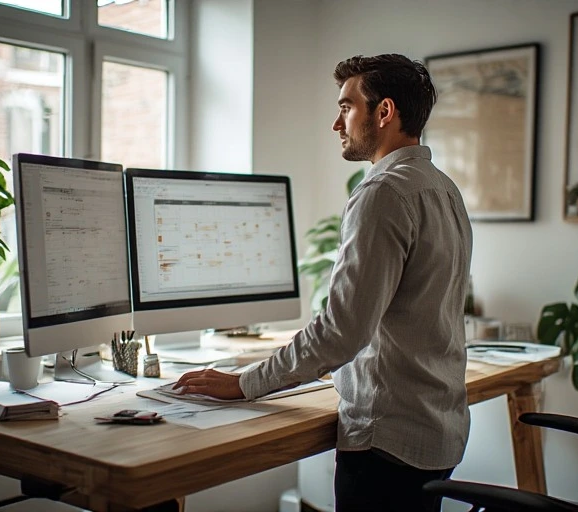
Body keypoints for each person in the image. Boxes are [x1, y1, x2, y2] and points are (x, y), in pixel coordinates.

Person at [174, 53, 473, 512]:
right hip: (435, 430)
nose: (337, 124)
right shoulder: (443, 188)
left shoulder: (383, 192)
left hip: (387, 440)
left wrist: (246, 383)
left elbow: (342, 332)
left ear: (384, 112)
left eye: (346, 108)